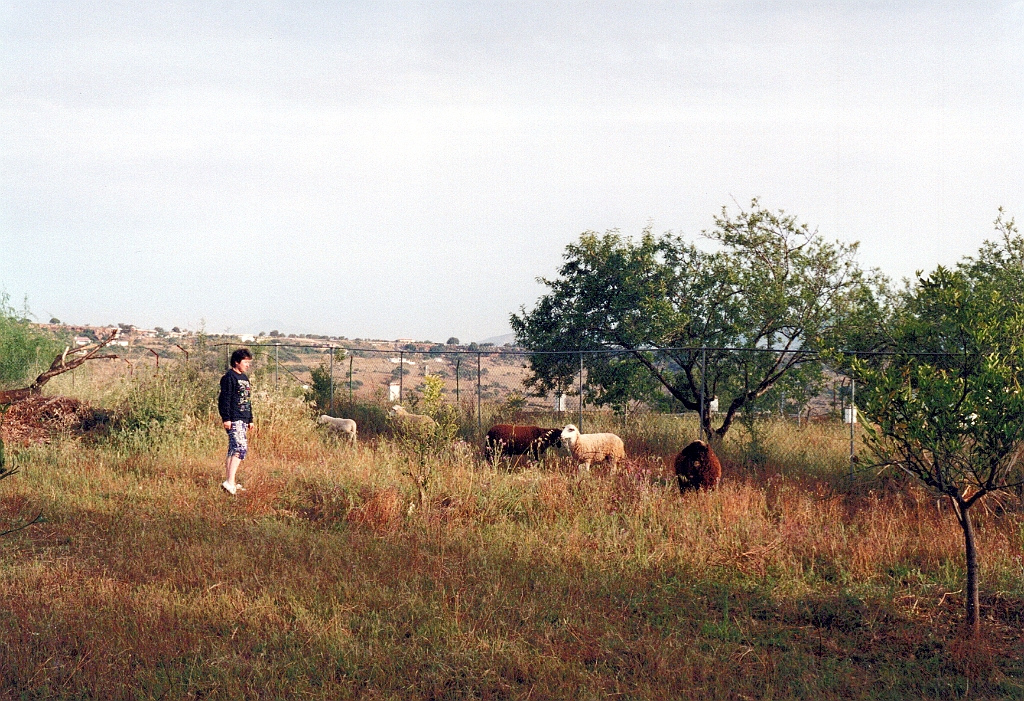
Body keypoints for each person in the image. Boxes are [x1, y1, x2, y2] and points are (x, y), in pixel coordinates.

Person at [218, 348, 254, 495]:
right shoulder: (229, 378)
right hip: (234, 418)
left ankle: (230, 481)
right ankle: (229, 482)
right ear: (236, 362)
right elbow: (224, 400)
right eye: (245, 362)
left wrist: (250, 419)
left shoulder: (244, 378)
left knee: (233, 449)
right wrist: (226, 418)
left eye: (248, 362)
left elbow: (247, 400)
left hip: (244, 418)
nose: (247, 365)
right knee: (240, 449)